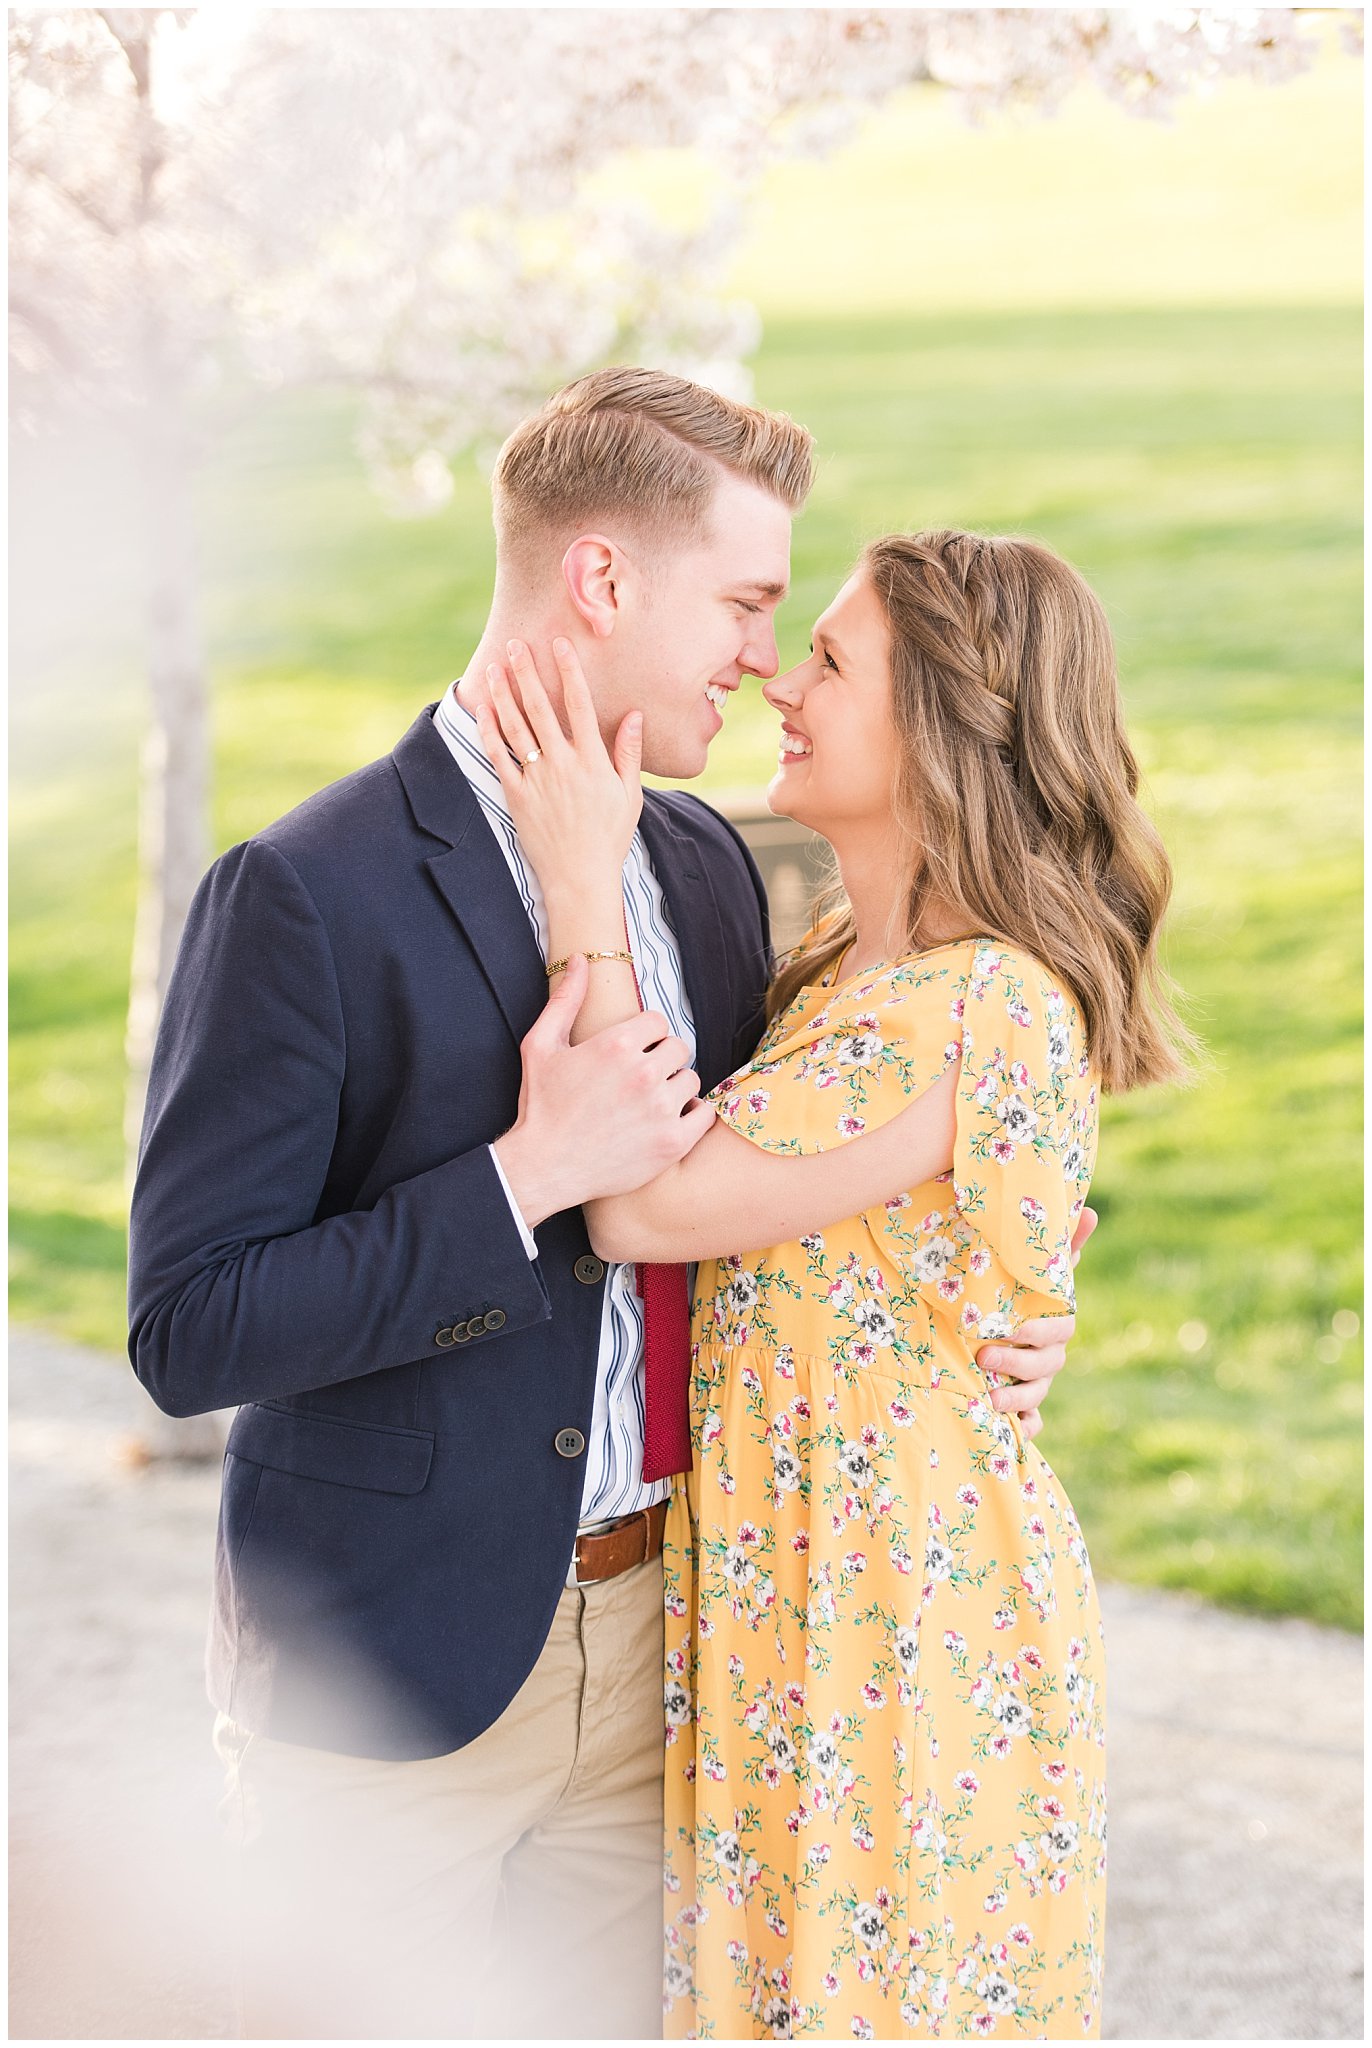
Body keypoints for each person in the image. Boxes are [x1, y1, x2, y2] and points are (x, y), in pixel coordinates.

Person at [127, 370, 1083, 2040]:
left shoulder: (706, 870)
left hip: (687, 1657)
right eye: (741, 603)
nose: (760, 659)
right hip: (390, 1678)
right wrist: (517, 1181)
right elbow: (190, 1327)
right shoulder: (305, 892)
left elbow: (806, 1172)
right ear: (601, 583)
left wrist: (992, 1305)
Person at [475, 526, 1187, 2040]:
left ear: (936, 730)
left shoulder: (974, 997)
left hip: (897, 1620)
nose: (781, 680)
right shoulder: (830, 972)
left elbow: (642, 1204)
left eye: (833, 661)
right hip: (795, 1587)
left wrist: (579, 885)